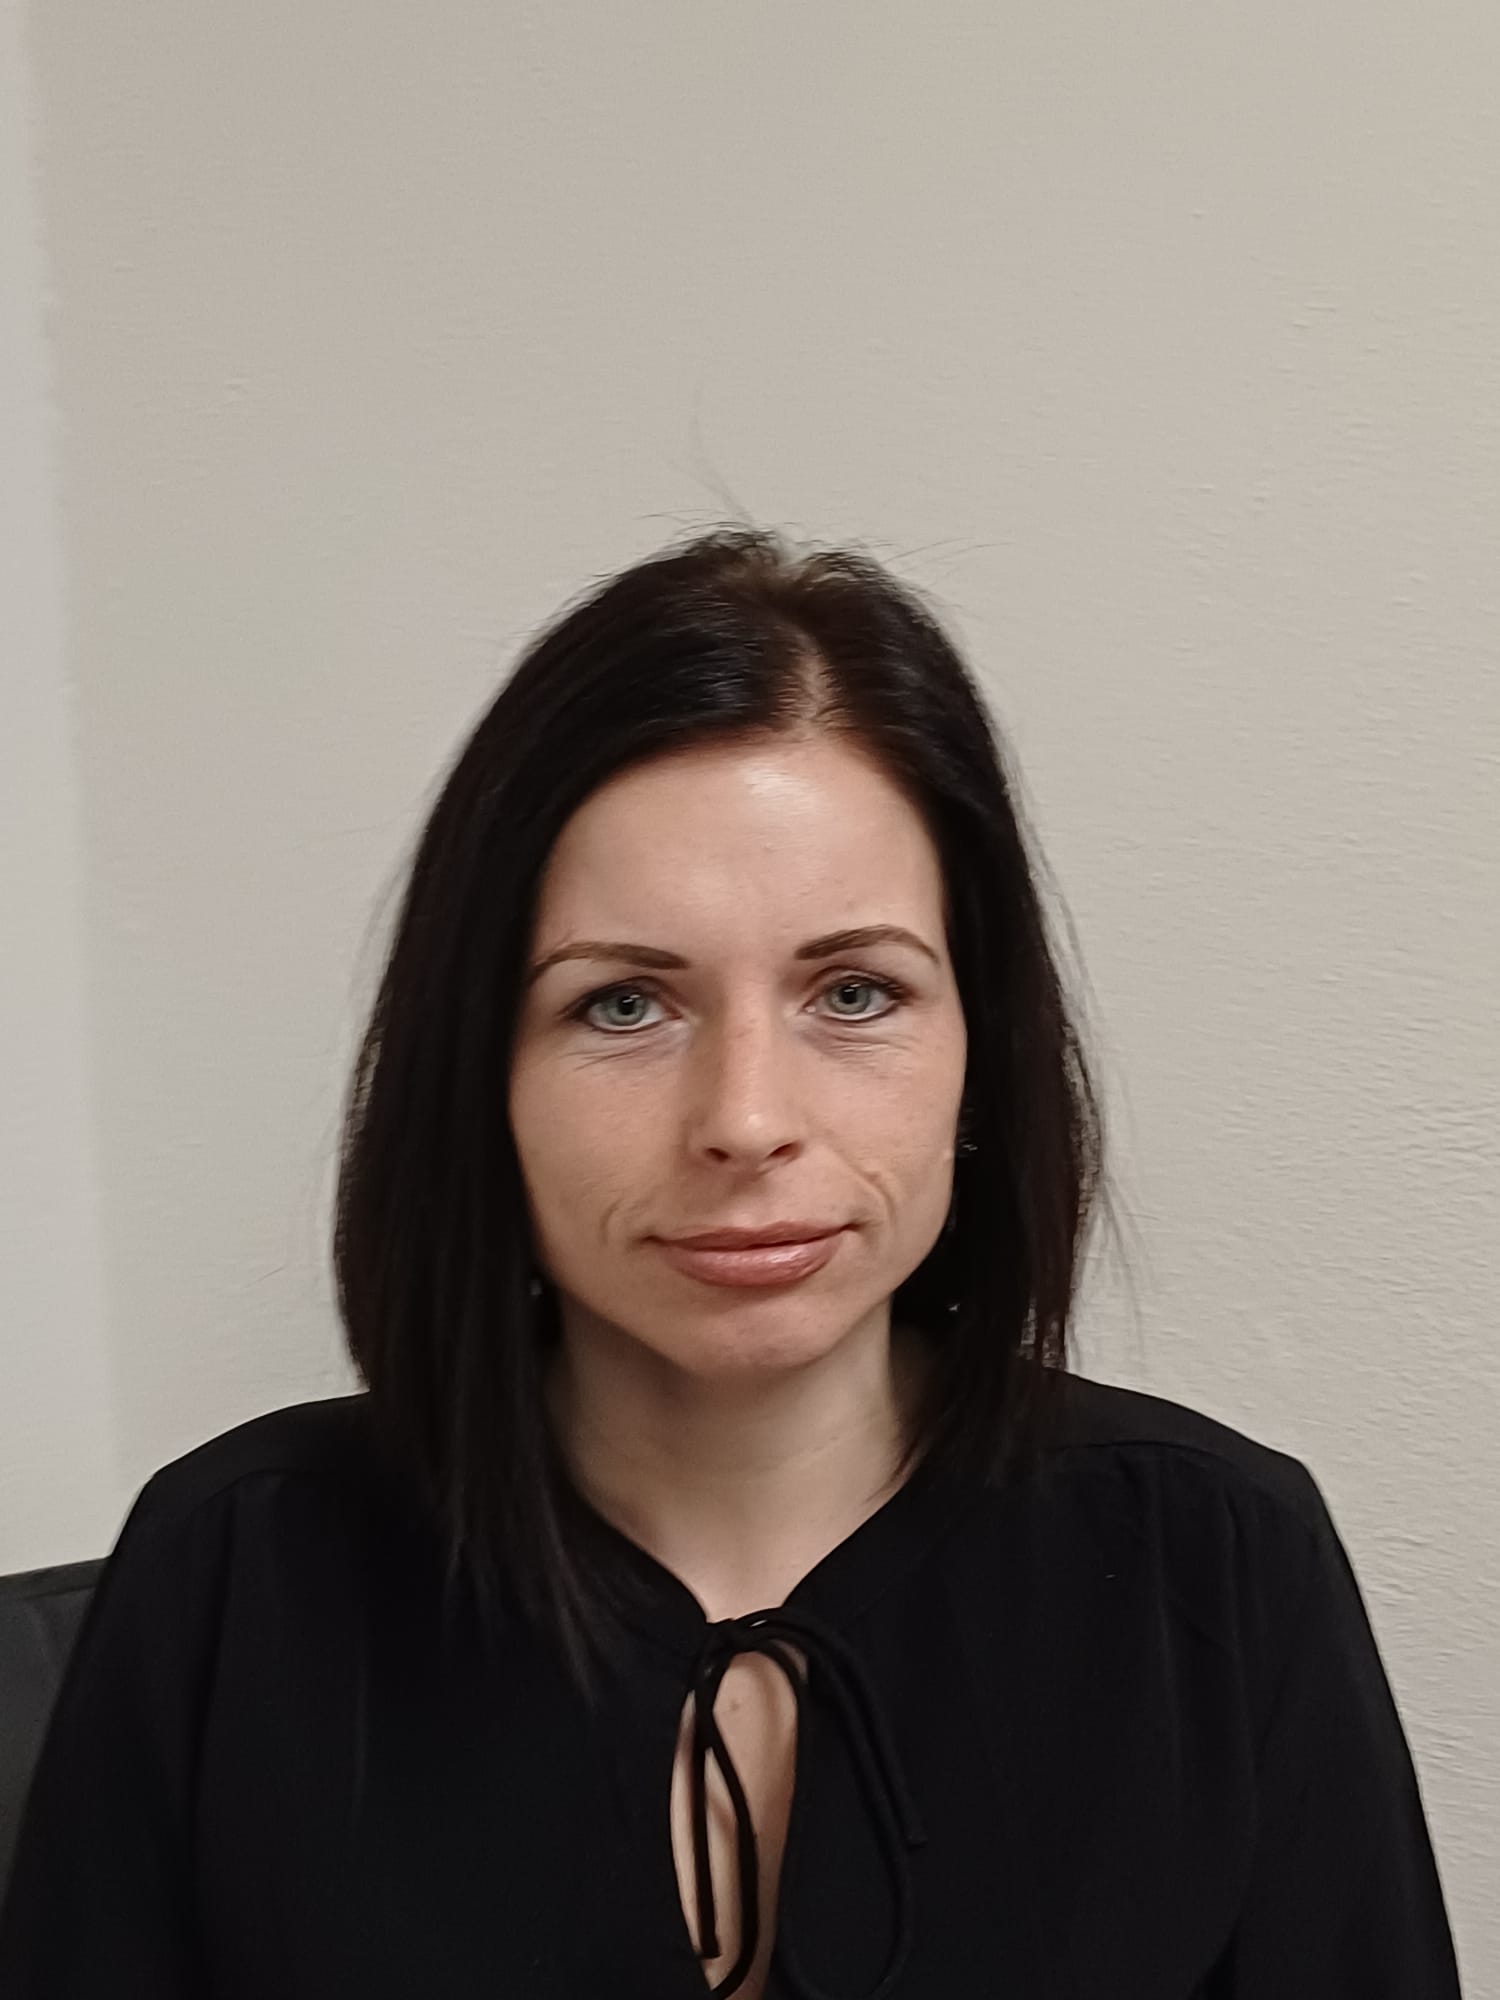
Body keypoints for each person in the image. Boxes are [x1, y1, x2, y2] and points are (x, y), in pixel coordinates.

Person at [0, 527, 1463, 1998]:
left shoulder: (1214, 1564)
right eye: (623, 1005)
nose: (746, 1120)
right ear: (479, 1075)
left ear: (983, 1050)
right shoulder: (234, 1572)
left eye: (855, 991)